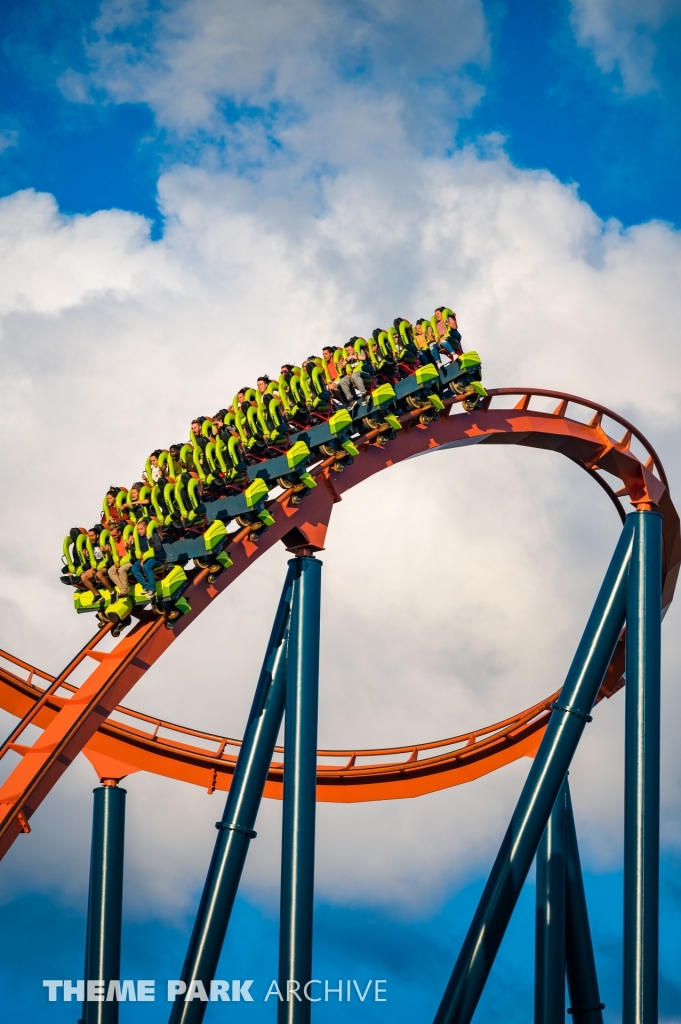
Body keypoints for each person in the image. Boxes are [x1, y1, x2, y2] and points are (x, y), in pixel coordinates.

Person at [130, 520, 166, 600]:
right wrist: (131, 545)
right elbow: (137, 552)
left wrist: (150, 540)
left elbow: (158, 548)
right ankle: (146, 586)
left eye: (141, 529)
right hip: (144, 558)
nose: (139, 531)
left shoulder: (153, 534)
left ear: (146, 528)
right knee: (134, 568)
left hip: (157, 558)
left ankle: (152, 589)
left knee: (146, 566)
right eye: (138, 529)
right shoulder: (138, 537)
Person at [80, 528, 115, 601]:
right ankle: (97, 594)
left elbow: (111, 554)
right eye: (89, 536)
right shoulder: (90, 545)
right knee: (83, 576)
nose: (90, 538)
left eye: (92, 536)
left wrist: (107, 550)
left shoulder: (104, 542)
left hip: (106, 565)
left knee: (99, 574)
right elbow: (92, 558)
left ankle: (112, 593)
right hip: (96, 566)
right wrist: (87, 555)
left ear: (97, 535)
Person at [336, 340, 372, 406]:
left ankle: (365, 394)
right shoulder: (348, 357)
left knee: (354, 375)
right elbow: (342, 366)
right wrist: (343, 362)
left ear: (353, 348)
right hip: (353, 375)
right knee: (342, 381)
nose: (348, 352)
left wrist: (352, 356)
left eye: (349, 350)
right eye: (347, 351)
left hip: (363, 372)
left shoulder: (359, 350)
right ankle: (350, 400)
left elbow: (363, 357)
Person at [107, 523, 133, 597]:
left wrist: (129, 543)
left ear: (119, 532)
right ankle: (122, 589)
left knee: (121, 570)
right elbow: (114, 555)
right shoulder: (112, 542)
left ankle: (125, 589)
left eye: (114, 535)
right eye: (112, 536)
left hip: (129, 561)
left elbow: (133, 546)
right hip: (120, 561)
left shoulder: (127, 537)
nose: (113, 537)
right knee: (110, 571)